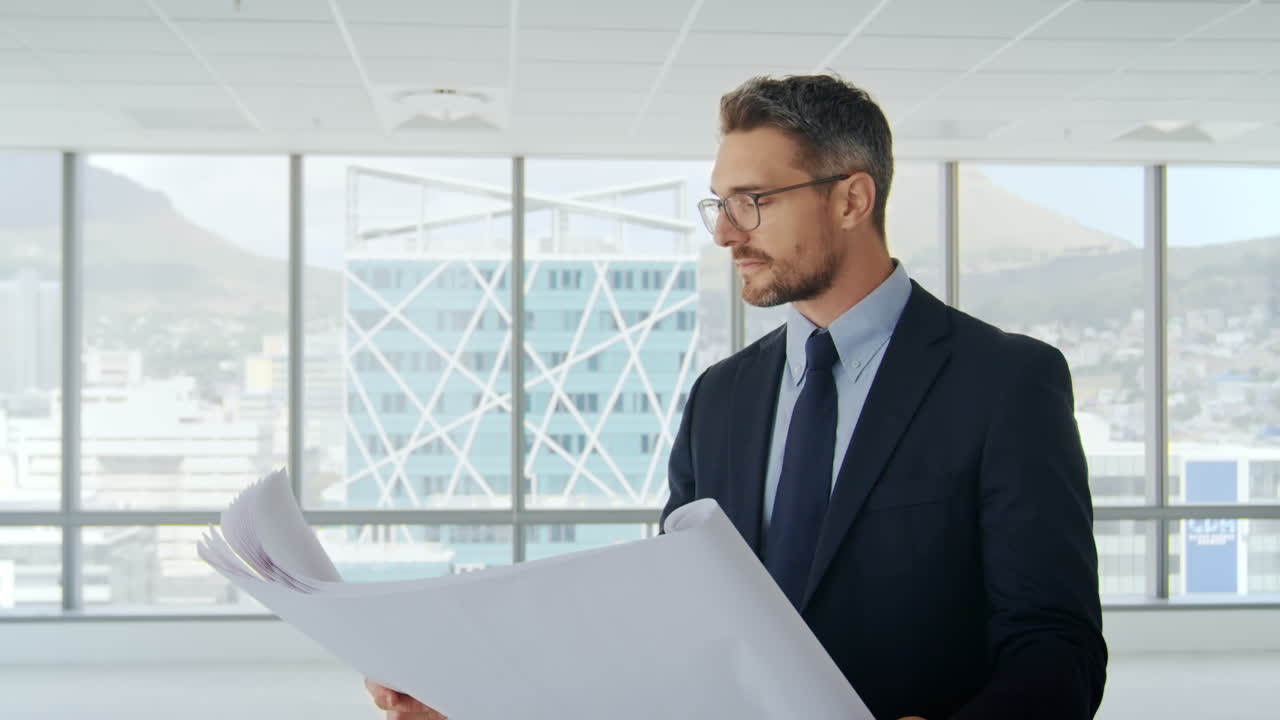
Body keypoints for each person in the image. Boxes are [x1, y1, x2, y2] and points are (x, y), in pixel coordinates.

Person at [365, 73, 1107, 720]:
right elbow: (675, 631)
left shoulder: (1005, 381)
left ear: (852, 199)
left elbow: (1056, 645)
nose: (725, 233)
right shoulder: (718, 399)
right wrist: (484, 697)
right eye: (718, 204)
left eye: (753, 200)